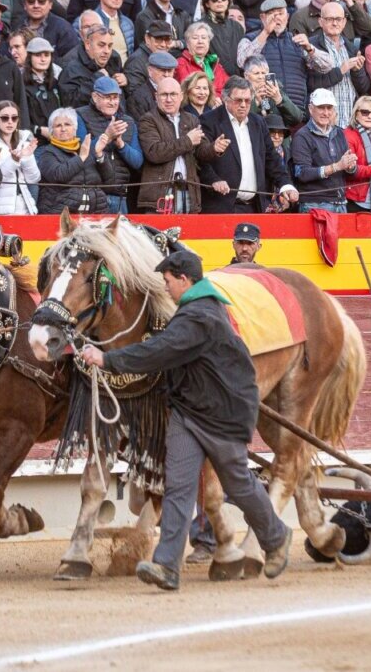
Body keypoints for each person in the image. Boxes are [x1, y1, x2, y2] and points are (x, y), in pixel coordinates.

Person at [78, 250, 293, 592]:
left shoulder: (200, 316)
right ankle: (167, 566)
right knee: (177, 486)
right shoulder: (193, 311)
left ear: (184, 279)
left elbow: (160, 351)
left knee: (238, 483)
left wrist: (108, 358)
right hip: (188, 412)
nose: (165, 288)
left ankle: (277, 536)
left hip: (221, 414)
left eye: (167, 281)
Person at [199, 76, 299, 212]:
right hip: (221, 206)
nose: (243, 105)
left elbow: (271, 158)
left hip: (254, 206)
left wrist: (286, 185)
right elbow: (199, 159)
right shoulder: (209, 120)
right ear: (225, 99)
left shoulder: (258, 122)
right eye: (238, 100)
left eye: (247, 100)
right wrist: (213, 180)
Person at [136, 76, 219, 213]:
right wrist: (187, 141)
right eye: (164, 95)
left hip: (189, 193)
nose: (169, 99)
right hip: (159, 196)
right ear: (156, 96)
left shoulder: (191, 119)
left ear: (181, 96)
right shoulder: (148, 120)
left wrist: (214, 148)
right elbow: (154, 152)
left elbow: (201, 153)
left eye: (173, 94)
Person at [74, 76, 143, 213]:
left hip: (120, 195)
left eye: (115, 97)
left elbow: (138, 162)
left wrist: (120, 144)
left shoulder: (128, 121)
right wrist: (107, 136)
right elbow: (81, 155)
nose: (113, 102)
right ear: (94, 97)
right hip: (91, 194)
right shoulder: (80, 116)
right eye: (107, 98)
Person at [237, 0, 317, 114]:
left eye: (280, 13)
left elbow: (325, 67)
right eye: (271, 14)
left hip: (296, 109)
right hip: (265, 109)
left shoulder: (298, 40)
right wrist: (266, 32)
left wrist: (310, 49)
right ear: (262, 18)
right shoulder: (250, 38)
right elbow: (241, 62)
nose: (276, 18)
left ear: (288, 17)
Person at [36, 107, 114, 213]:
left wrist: (99, 154)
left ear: (75, 128)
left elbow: (110, 180)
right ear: (51, 131)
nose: (63, 129)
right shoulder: (47, 153)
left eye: (67, 124)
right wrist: (81, 158)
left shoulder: (87, 148)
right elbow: (59, 175)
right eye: (58, 125)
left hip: (95, 213)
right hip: (61, 215)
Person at [307, 1, 371, 127]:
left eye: (338, 19)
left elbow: (363, 88)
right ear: (320, 22)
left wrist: (357, 71)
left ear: (344, 22)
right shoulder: (312, 47)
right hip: (323, 123)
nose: (335, 23)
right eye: (329, 19)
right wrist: (341, 70)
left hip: (350, 122)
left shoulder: (351, 48)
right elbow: (310, 83)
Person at [291, 87, 356, 212]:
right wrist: (336, 167)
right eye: (321, 107)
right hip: (314, 205)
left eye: (329, 108)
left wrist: (350, 166)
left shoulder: (339, 133)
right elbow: (302, 173)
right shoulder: (302, 136)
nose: (326, 113)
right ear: (311, 109)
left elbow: (350, 172)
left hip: (340, 202)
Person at [0, 100, 39, 214]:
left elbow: (33, 179)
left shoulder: (24, 141)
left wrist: (27, 157)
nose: (10, 122)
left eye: (14, 118)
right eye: (5, 118)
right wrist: (13, 160)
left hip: (25, 207)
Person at [202, 0, 245, 77]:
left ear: (228, 1)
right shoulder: (200, 27)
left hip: (238, 80)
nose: (220, 1)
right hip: (213, 79)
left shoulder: (237, 26)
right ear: (207, 4)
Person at [23, 38, 62, 142]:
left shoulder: (56, 82)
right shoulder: (21, 83)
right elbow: (19, 119)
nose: (43, 59)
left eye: (46, 55)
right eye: (38, 55)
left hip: (59, 140)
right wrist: (39, 130)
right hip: (33, 142)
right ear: (29, 57)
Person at [175, 21, 228, 98]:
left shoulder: (215, 65)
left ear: (209, 42)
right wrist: (213, 99)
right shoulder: (180, 64)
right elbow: (188, 91)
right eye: (195, 38)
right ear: (187, 43)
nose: (200, 41)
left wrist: (220, 100)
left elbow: (228, 89)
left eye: (204, 38)